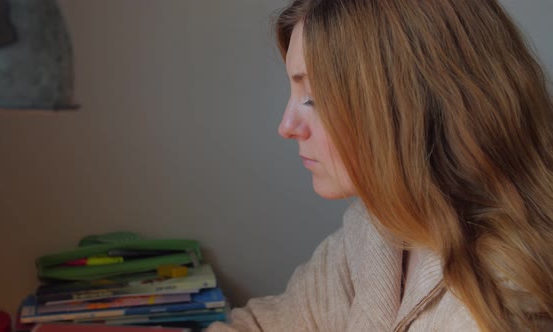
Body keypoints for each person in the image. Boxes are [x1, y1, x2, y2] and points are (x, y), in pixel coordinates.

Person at [208, 0, 553, 331]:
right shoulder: (377, 229)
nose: (286, 126)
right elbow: (268, 324)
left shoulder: (507, 303)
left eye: (313, 97)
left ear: (409, 105)